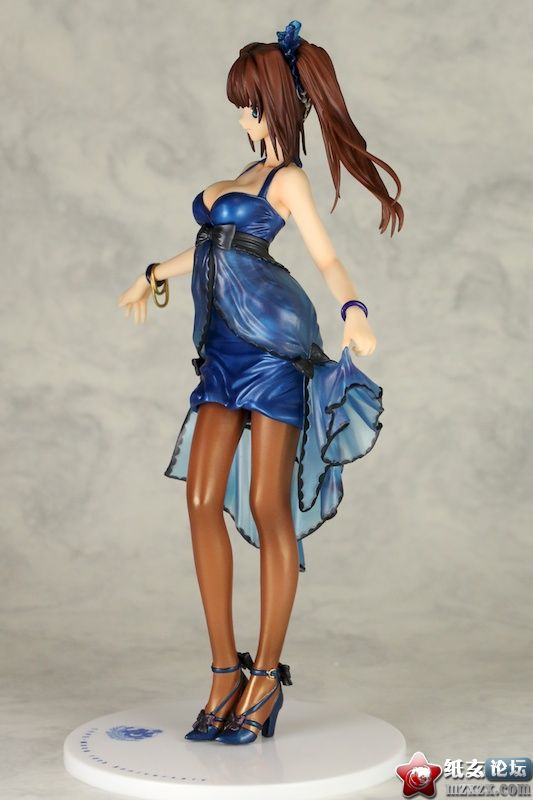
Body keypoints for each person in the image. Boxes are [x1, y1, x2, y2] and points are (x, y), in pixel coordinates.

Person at [117, 20, 403, 746]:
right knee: (199, 498)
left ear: (278, 105)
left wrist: (354, 310)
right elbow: (209, 246)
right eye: (240, 107)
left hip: (273, 350)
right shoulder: (242, 177)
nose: (243, 119)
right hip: (220, 353)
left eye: (251, 106)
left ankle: (265, 678)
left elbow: (325, 258)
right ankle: (224, 671)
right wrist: (152, 273)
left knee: (267, 505)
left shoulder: (287, 180)